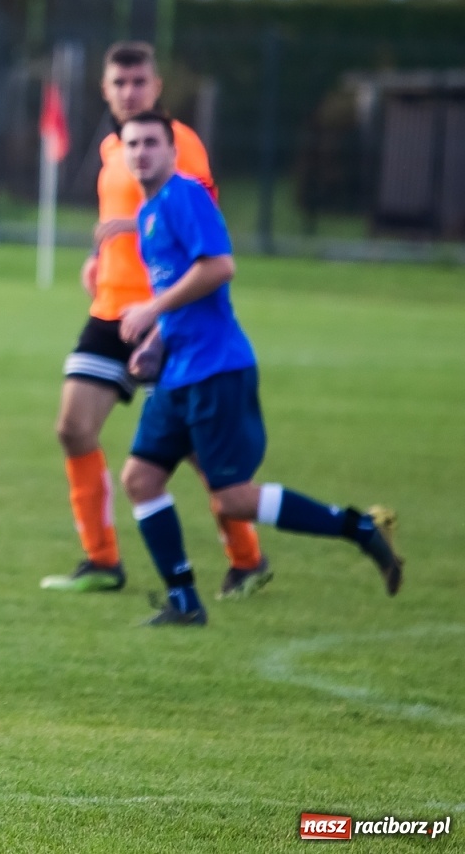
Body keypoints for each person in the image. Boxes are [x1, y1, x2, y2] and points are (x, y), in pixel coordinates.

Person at [112, 111, 402, 626]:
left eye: (151, 142)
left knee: (233, 501)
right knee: (139, 478)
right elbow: (179, 298)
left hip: (217, 370)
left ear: (171, 150)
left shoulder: (185, 196)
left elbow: (220, 266)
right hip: (179, 373)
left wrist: (152, 311)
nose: (140, 152)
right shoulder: (149, 214)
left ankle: (357, 529)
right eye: (132, 143)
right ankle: (184, 601)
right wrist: (155, 342)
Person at [43, 41, 271, 600]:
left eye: (139, 83)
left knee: (195, 451)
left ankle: (247, 560)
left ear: (156, 86)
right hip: (110, 312)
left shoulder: (179, 144)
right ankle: (101, 560)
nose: (129, 93)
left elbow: (196, 215)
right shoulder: (109, 147)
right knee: (73, 428)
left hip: (163, 320)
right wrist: (99, 258)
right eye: (119, 84)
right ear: (104, 89)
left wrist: (129, 226)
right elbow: (120, 224)